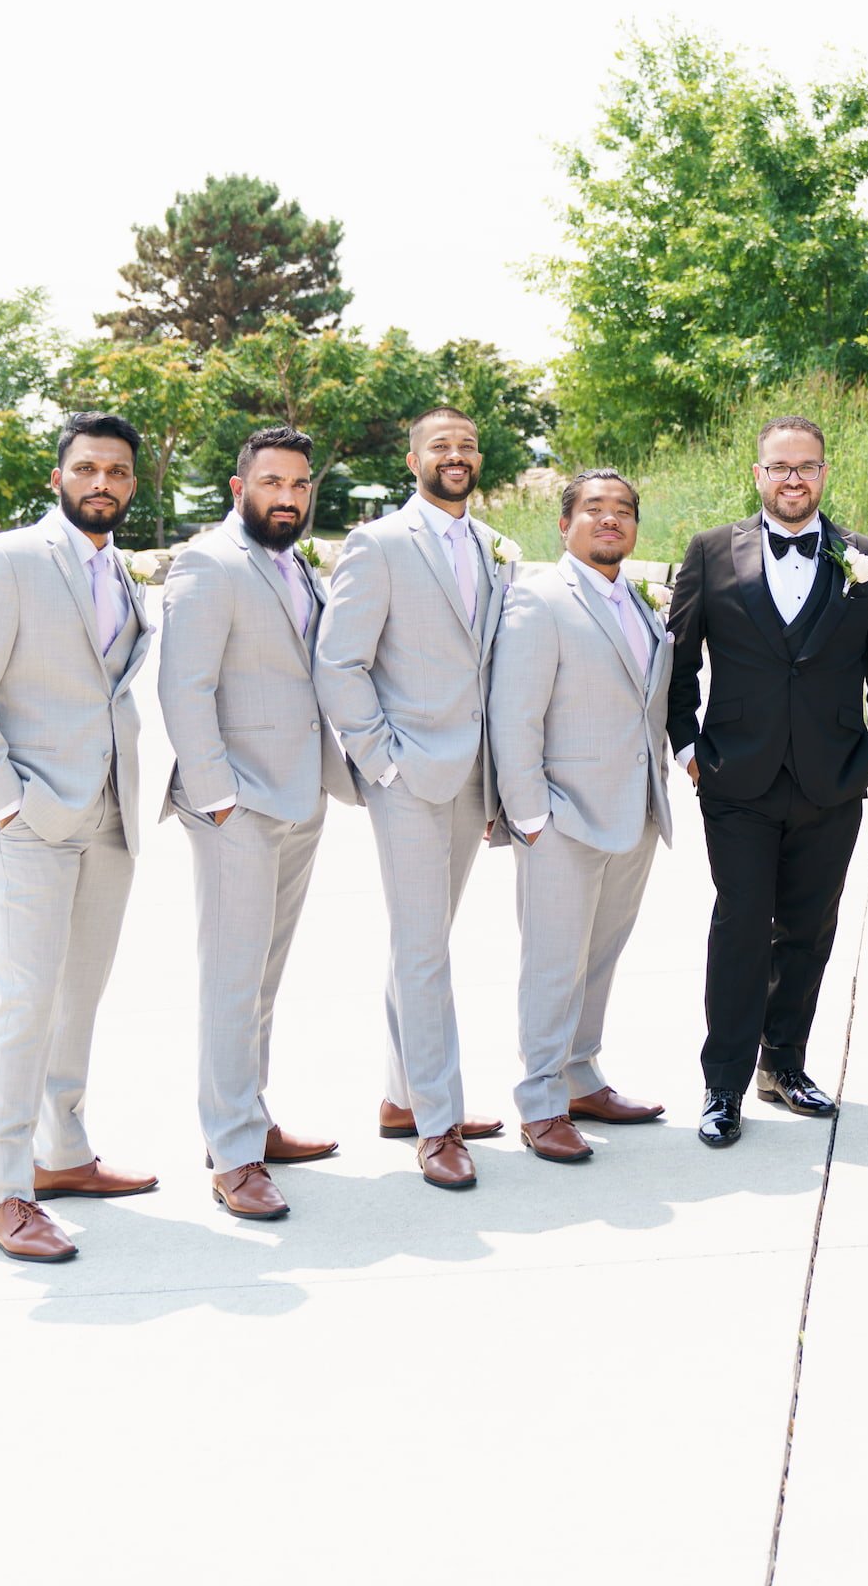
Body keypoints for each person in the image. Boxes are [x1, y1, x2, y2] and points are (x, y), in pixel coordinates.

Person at [0, 412, 157, 1261]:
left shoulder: (120, 569)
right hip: (30, 819)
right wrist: (2, 804)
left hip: (110, 815)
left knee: (79, 997)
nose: (105, 482)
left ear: (133, 485)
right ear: (59, 476)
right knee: (25, 1001)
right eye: (89, 468)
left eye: (120, 472)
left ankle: (63, 1153)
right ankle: (5, 1192)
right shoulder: (9, 560)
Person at [666, 414, 868, 1148]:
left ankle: (786, 1065)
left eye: (807, 466)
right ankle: (723, 1085)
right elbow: (678, 660)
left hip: (833, 779)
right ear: (758, 474)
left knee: (808, 929)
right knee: (741, 926)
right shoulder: (711, 551)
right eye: (780, 467)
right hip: (736, 776)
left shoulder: (864, 556)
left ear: (825, 474)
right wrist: (686, 747)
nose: (794, 478)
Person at [158, 425, 358, 1219]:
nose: (288, 497)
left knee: (263, 980)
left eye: (301, 484)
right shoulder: (208, 562)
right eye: (272, 483)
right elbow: (185, 687)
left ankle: (251, 1119)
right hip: (236, 804)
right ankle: (232, 1152)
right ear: (239, 489)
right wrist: (218, 797)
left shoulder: (294, 562)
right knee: (232, 980)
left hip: (298, 795)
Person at [316, 406, 511, 1190]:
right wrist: (381, 762)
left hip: (474, 775)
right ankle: (439, 1122)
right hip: (410, 775)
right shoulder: (380, 544)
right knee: (426, 948)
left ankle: (403, 1097)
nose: (456, 455)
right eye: (441, 446)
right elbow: (340, 662)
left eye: (466, 444)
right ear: (413, 459)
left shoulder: (500, 548)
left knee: (423, 940)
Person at [490, 469, 673, 1163]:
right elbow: (515, 715)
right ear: (563, 524)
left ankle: (580, 1075)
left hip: (634, 814)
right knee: (552, 963)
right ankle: (539, 1100)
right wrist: (529, 816)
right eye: (594, 509)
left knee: (599, 957)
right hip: (561, 818)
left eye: (623, 510)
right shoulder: (539, 600)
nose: (610, 520)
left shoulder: (641, 602)